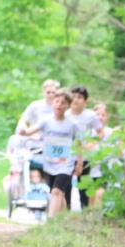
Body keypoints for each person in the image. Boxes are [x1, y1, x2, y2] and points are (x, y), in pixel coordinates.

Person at [18, 89, 83, 218]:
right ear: (52, 103)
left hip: (66, 163)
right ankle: (63, 218)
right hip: (50, 162)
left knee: (56, 191)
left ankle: (51, 220)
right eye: (57, 101)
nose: (59, 105)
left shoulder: (72, 124)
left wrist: (79, 163)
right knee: (59, 193)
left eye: (63, 103)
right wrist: (23, 131)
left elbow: (79, 145)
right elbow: (29, 131)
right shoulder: (46, 121)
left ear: (68, 106)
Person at [66, 85, 104, 209]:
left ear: (85, 101)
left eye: (79, 97)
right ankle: (65, 211)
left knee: (84, 186)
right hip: (67, 155)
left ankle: (85, 211)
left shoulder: (90, 116)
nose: (76, 100)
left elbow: (100, 131)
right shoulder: (65, 115)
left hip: (85, 155)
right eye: (73, 97)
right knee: (66, 185)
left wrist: (91, 143)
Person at [16, 79, 60, 176]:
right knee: (38, 173)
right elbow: (23, 120)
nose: (51, 95)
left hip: (56, 144)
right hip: (37, 145)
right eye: (48, 92)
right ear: (43, 92)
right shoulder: (36, 105)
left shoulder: (60, 106)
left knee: (56, 173)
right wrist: (27, 132)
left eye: (53, 92)